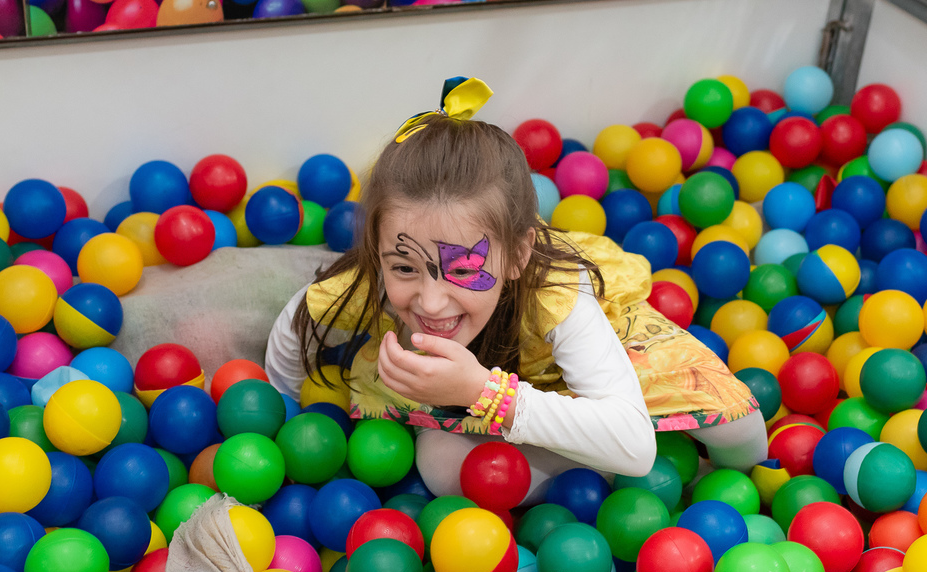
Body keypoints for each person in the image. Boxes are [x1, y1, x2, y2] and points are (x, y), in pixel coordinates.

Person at [265, 77, 767, 503]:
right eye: (404, 268)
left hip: (570, 366)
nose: (431, 301)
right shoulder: (362, 285)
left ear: (518, 254)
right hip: (502, 402)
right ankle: (601, 477)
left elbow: (635, 447)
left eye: (463, 269)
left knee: (740, 431)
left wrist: (482, 393)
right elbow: (295, 327)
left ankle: (679, 474)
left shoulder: (558, 293)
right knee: (444, 470)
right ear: (377, 251)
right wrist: (279, 414)